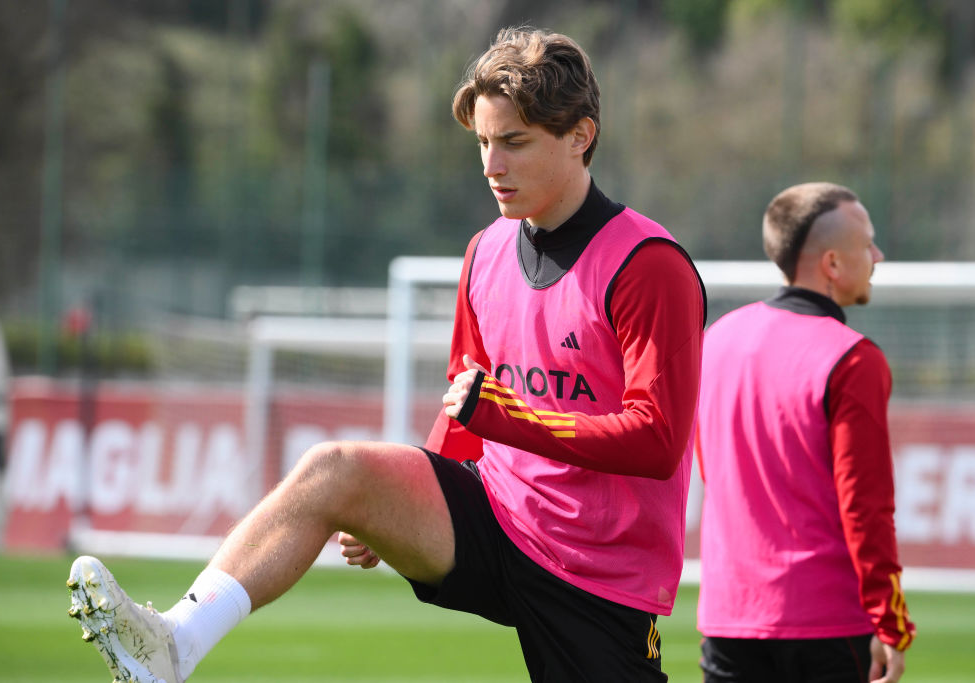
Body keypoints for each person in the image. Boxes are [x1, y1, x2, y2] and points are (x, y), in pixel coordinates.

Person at [66, 26, 705, 683]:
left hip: (601, 577)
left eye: (513, 142)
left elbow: (656, 438)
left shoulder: (647, 265)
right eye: (483, 142)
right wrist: (396, 509)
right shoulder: (485, 252)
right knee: (334, 470)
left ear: (581, 135)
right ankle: (175, 644)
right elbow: (467, 404)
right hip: (499, 517)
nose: (492, 165)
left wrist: (506, 419)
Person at [694, 182, 917, 683]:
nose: (877, 256)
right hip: (825, 628)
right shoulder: (854, 358)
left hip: (730, 619)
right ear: (833, 264)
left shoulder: (717, 339)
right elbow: (866, 506)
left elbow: (714, 471)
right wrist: (891, 622)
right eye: (868, 244)